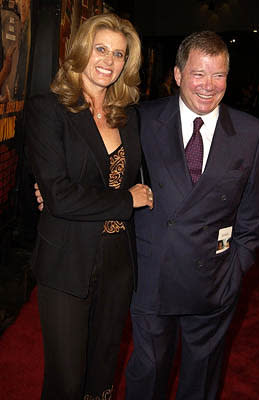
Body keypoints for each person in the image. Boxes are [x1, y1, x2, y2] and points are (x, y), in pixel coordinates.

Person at [125, 31, 259, 399]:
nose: (208, 86)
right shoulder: (140, 119)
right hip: (152, 274)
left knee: (200, 380)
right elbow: (106, 168)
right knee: (148, 373)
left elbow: (252, 216)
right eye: (198, 74)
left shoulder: (252, 132)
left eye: (218, 75)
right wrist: (55, 190)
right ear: (176, 74)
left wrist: (235, 269)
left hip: (213, 282)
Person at [25, 13, 152, 400]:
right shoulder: (49, 109)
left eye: (118, 54)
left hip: (117, 262)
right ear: (81, 49)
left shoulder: (127, 117)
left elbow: (140, 180)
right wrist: (125, 199)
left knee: (101, 377)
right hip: (67, 261)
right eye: (101, 49)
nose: (108, 61)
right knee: (66, 381)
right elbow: (60, 196)